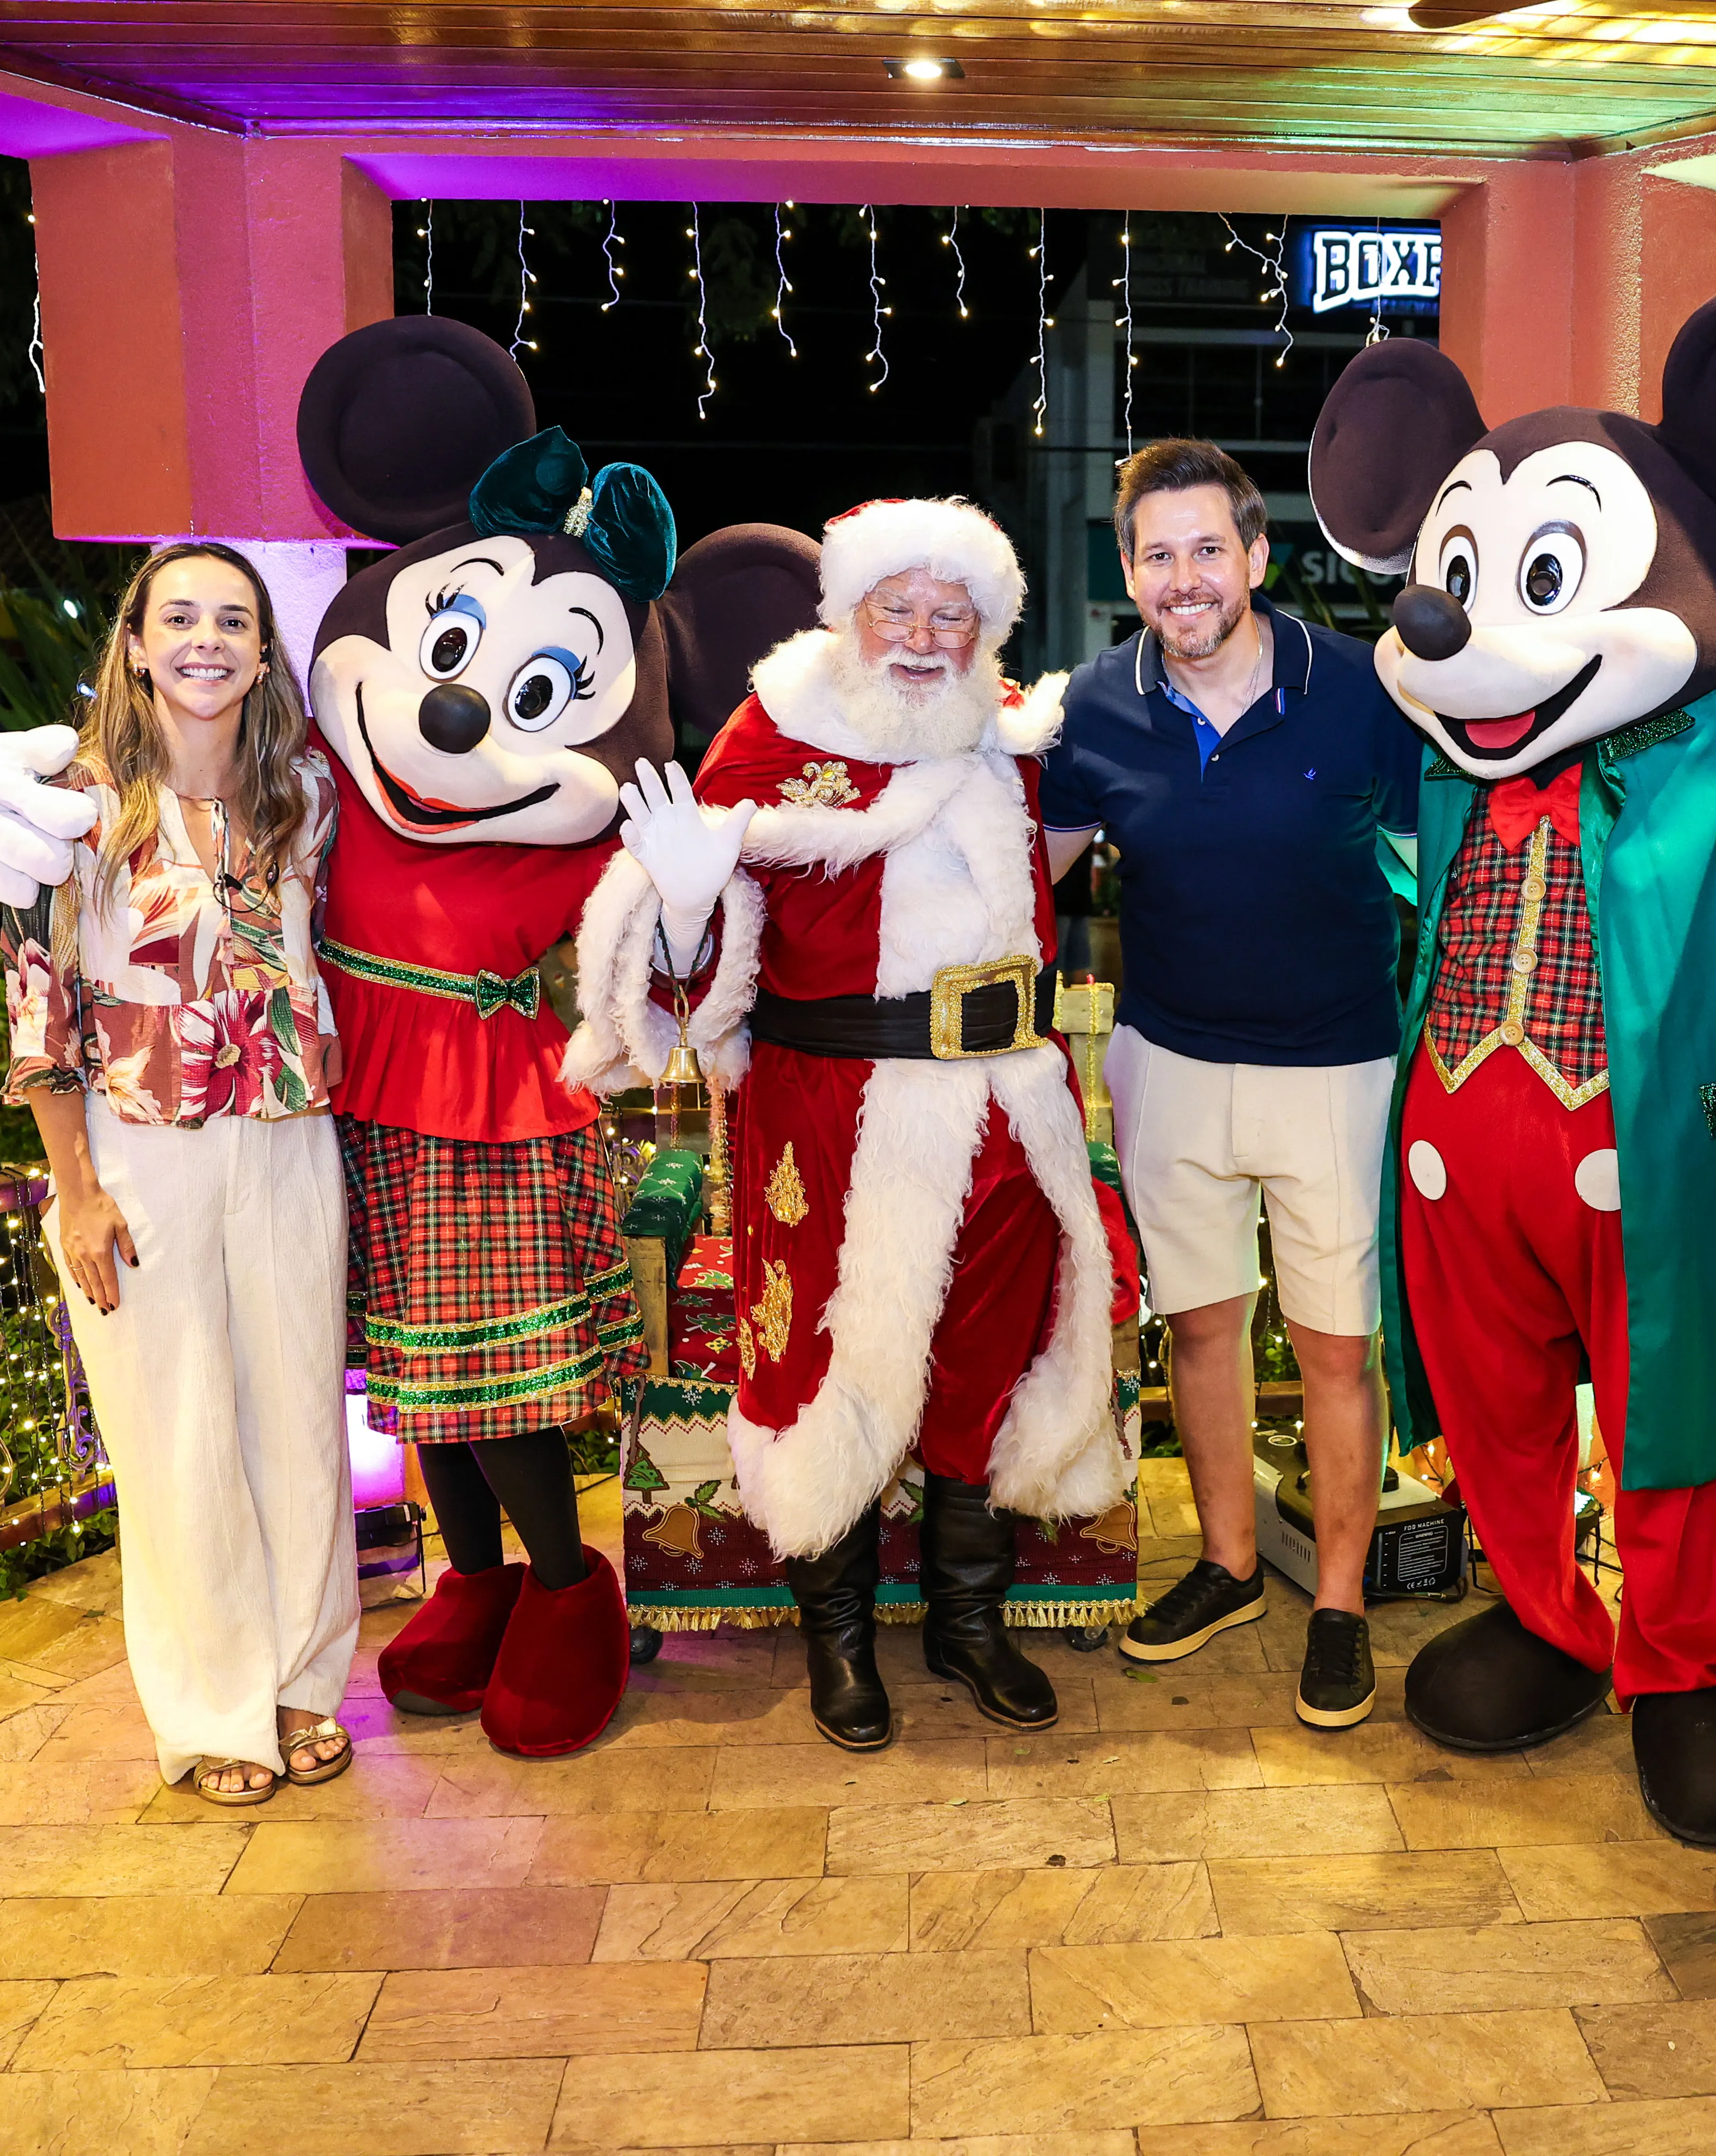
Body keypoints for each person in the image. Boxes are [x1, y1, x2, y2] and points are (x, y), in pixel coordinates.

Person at [569, 496, 1132, 1753]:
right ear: (850, 613)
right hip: (828, 1115)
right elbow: (687, 975)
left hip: (1000, 1104)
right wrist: (682, 906)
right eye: (901, 608)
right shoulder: (776, 741)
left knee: (984, 1357)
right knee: (820, 1361)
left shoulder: (1002, 738)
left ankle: (965, 1617)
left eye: (954, 614)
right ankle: (836, 1638)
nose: (926, 636)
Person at [1038, 439, 1417, 1727]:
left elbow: (1446, 848)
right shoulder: (1094, 706)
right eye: (1159, 554)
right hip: (1167, 1058)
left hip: (1337, 1061)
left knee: (1331, 1346)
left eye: (1211, 549)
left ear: (1257, 556)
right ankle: (1229, 1564)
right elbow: (1019, 870)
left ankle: (1343, 1602)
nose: (1185, 576)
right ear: (1130, 569)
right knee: (1198, 1324)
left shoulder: (1361, 687)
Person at [0, 542, 357, 1807]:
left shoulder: (300, 801)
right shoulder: (72, 809)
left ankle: (306, 1682)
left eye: (235, 620)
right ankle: (213, 1707)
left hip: (289, 1137)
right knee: (176, 1434)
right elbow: (37, 1011)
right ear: (138, 645)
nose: (207, 639)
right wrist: (75, 1189)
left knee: (302, 1421)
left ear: (264, 652)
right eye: (181, 618)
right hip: (139, 1148)